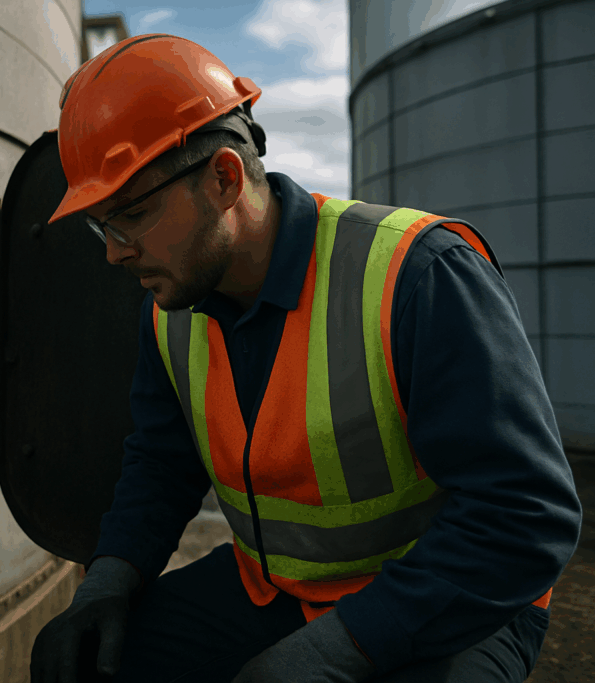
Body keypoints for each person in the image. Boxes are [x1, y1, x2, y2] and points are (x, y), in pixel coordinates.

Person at [29, 34, 583, 683]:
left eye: (131, 214)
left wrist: (332, 651)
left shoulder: (417, 276)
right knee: (81, 663)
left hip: (450, 598)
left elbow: (524, 516)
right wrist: (109, 581)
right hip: (279, 590)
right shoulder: (171, 309)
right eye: (101, 224)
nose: (114, 251)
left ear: (225, 178)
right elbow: (161, 462)